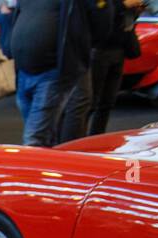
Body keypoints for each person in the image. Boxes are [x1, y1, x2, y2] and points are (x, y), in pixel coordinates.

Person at [9, 0, 113, 147]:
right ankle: (51, 162)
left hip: (53, 71)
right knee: (41, 134)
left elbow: (102, 23)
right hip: (24, 70)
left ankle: (43, 164)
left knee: (35, 138)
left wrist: (78, 47)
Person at [60, 0, 142, 138]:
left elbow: (125, 19)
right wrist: (124, 5)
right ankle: (78, 140)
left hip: (119, 49)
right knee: (87, 102)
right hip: (98, 51)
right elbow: (98, 15)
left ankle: (96, 138)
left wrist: (135, 10)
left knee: (107, 102)